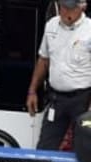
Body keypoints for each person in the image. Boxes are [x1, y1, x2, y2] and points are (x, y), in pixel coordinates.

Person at [26, 0, 91, 150]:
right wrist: (32, 91)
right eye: (62, 7)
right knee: (44, 148)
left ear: (82, 7)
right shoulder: (51, 26)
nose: (65, 12)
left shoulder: (90, 29)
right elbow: (43, 60)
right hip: (56, 99)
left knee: (83, 150)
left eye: (70, 8)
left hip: (83, 100)